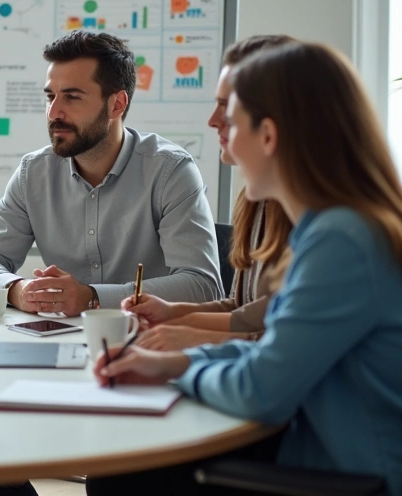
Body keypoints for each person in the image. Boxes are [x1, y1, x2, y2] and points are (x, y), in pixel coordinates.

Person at [95, 41, 402, 496]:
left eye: (233, 119)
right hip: (343, 458)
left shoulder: (343, 241)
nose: (220, 129)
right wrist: (171, 361)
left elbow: (261, 391)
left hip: (361, 481)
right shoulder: (341, 226)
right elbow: (275, 352)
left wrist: (173, 369)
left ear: (268, 135)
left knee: (124, 482)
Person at [0, 30, 221, 316]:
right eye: (51, 96)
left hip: (147, 341)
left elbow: (203, 287)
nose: (53, 112)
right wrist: (17, 290)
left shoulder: (170, 171)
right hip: (60, 337)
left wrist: (92, 298)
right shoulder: (33, 173)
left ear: (117, 104)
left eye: (72, 97)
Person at [123, 35, 296, 351]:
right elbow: (244, 310)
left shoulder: (325, 227)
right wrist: (173, 314)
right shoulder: (257, 198)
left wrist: (192, 342)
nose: (213, 121)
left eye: (226, 108)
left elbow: (285, 347)